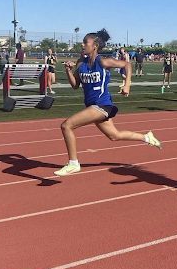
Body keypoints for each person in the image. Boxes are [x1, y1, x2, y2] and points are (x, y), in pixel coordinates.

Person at [54, 29, 161, 177]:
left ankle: (73, 163)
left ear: (95, 45)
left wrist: (127, 85)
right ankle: (147, 137)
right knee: (114, 136)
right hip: (92, 106)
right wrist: (68, 71)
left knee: (66, 126)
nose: (82, 44)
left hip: (103, 105)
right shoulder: (81, 63)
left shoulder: (103, 61)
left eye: (86, 42)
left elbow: (127, 65)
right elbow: (75, 85)